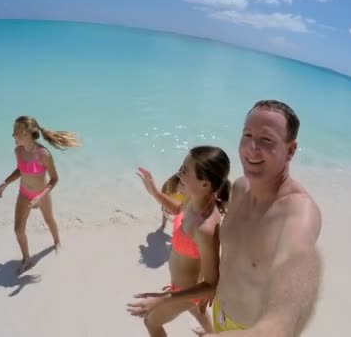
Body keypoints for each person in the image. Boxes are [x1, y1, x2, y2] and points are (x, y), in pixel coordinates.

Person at [127, 100, 323, 336]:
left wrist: (277, 324)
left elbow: (298, 269)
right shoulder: (240, 189)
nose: (252, 148)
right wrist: (203, 291)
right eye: (247, 134)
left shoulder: (298, 213)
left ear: (290, 150)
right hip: (219, 310)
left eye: (267, 139)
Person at [127, 146, 231, 336]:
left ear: (205, 184)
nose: (178, 174)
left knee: (151, 322)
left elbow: (211, 284)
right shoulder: (194, 199)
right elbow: (179, 211)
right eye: (181, 167)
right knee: (197, 312)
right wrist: (155, 193)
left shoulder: (205, 228)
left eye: (185, 171)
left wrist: (163, 299)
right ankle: (214, 334)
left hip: (187, 293)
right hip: (182, 285)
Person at [0, 115, 80, 274]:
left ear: (26, 133)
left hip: (41, 195)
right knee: (18, 229)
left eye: (15, 132)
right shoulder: (18, 150)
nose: (12, 135)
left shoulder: (43, 154)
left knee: (49, 221)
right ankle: (26, 258)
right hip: (24, 193)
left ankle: (57, 242)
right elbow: (21, 170)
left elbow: (54, 179)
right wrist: (5, 183)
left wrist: (40, 197)